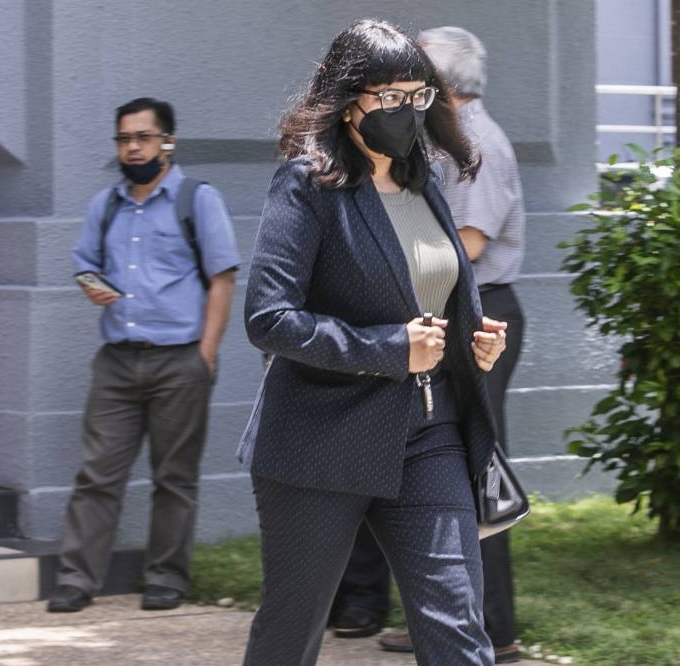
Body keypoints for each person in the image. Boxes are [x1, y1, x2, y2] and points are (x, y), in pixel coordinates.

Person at [237, 18, 508, 666]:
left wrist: (476, 341)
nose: (405, 111)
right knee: (290, 633)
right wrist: (388, 348)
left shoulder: (426, 183)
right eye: (388, 96)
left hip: (429, 434)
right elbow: (268, 317)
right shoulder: (308, 184)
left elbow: (437, 290)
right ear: (346, 99)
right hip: (321, 442)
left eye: (416, 97)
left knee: (457, 630)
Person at [47, 97, 241, 613]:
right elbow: (85, 264)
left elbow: (223, 279)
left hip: (180, 360)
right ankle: (77, 580)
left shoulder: (197, 199)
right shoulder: (105, 205)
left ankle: (166, 579)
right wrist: (91, 287)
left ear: (167, 143)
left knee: (173, 477)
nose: (132, 148)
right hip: (115, 361)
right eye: (123, 139)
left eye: (143, 138)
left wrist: (206, 353)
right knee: (97, 474)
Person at [375, 26, 529, 663]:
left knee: (472, 465)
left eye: (414, 83)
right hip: (454, 311)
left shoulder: (480, 144)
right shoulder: (448, 141)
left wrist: (387, 266)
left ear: (440, 86)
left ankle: (493, 627)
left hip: (480, 314)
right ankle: (445, 617)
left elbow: (467, 246)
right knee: (442, 467)